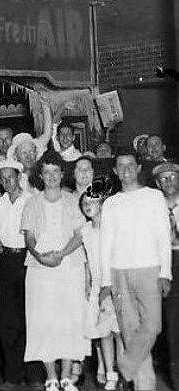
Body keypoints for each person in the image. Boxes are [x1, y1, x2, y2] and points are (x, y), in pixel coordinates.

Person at [100, 153, 172, 391]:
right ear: (115, 170)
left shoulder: (154, 197)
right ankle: (145, 386)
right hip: (119, 272)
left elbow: (164, 237)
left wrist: (166, 273)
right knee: (130, 332)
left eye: (130, 165)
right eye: (121, 166)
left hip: (149, 270)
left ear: (139, 167)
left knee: (152, 327)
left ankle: (125, 364)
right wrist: (105, 281)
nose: (126, 169)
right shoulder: (110, 203)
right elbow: (105, 244)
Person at [21, 150, 87, 391]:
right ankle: (51, 375)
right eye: (46, 172)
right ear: (40, 175)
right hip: (40, 269)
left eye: (55, 171)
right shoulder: (32, 202)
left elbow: (81, 235)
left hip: (70, 267)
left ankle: (67, 375)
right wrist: (40, 255)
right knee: (43, 319)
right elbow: (29, 236)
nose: (51, 176)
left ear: (62, 173)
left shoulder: (73, 200)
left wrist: (61, 254)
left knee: (69, 319)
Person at [0, 157, 32, 387]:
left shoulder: (31, 201)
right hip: (5, 262)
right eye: (3, 178)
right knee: (7, 319)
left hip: (28, 260)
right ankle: (12, 375)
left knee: (30, 317)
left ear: (19, 177)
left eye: (11, 177)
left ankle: (33, 374)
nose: (8, 181)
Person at [79, 183, 121, 391]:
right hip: (96, 285)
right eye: (85, 203)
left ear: (103, 205)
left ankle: (121, 373)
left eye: (93, 203)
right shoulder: (85, 230)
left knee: (118, 331)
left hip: (114, 283)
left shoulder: (111, 227)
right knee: (103, 331)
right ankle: (108, 372)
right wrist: (88, 283)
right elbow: (86, 259)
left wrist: (110, 287)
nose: (88, 206)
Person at [154, 160, 179, 391]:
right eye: (163, 179)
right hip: (166, 263)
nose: (168, 181)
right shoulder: (154, 208)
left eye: (172, 176)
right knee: (173, 324)